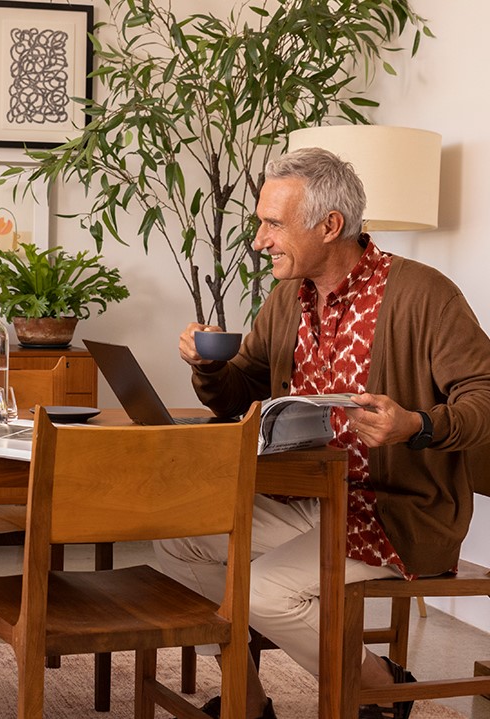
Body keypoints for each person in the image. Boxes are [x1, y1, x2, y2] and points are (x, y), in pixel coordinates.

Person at [155, 147, 490, 719]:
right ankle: (248, 701)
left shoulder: (423, 295)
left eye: (272, 224)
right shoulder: (288, 298)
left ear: (330, 225)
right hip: (305, 498)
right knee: (176, 538)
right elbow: (243, 390)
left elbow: (483, 392)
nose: (259, 241)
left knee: (264, 590)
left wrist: (416, 425)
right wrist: (209, 366)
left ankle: (378, 687)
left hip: (393, 511)